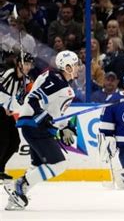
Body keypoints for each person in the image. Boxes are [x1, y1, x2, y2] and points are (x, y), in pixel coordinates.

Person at [3, 50, 79, 210]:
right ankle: (19, 186)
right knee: (59, 164)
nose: (78, 67)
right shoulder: (55, 79)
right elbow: (33, 98)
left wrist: (66, 127)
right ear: (67, 66)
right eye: (75, 64)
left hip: (36, 126)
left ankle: (15, 198)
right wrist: (42, 115)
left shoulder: (61, 83)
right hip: (35, 126)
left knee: (37, 166)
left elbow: (54, 110)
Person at [0, 53, 34, 182]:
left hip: (7, 112)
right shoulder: (8, 74)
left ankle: (0, 169)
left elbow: (30, 94)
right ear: (18, 64)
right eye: (25, 64)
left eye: (30, 64)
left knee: (15, 142)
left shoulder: (26, 80)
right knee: (3, 141)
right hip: (1, 108)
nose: (28, 67)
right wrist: (5, 104)